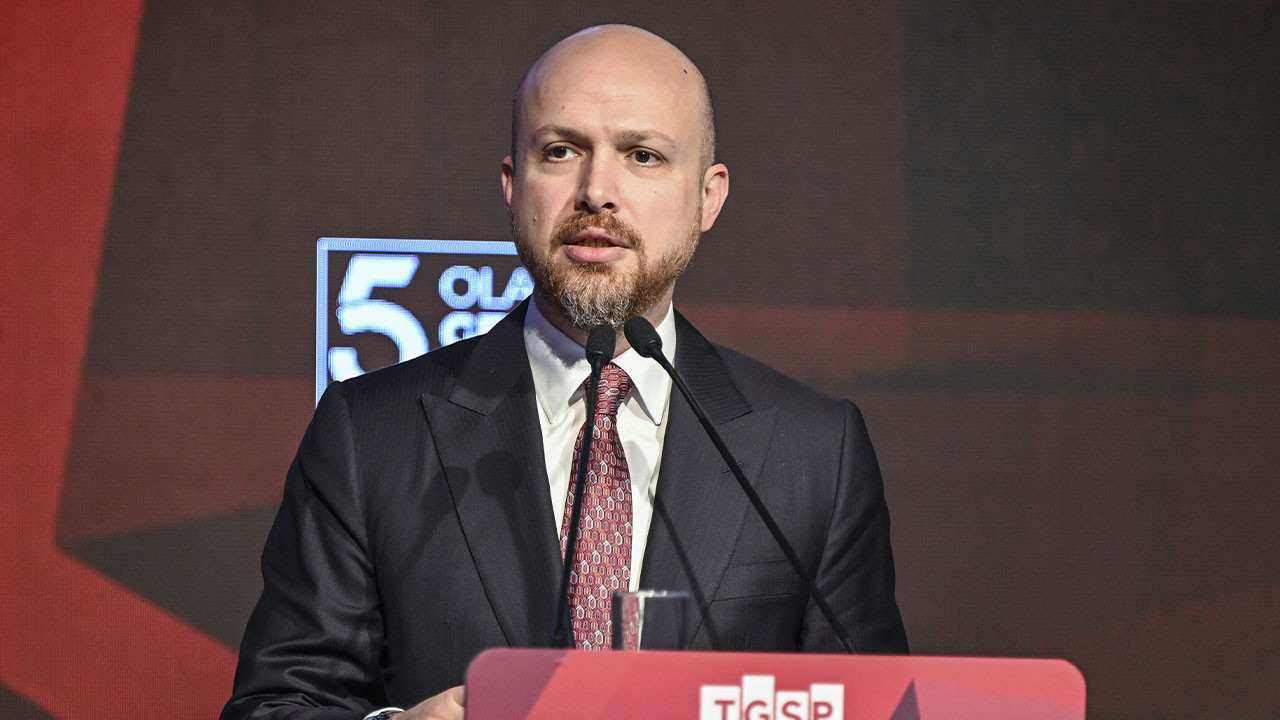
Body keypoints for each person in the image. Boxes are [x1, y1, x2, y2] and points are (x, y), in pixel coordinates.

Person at [223, 24, 907, 720]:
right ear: (513, 184)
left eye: (643, 155)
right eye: (561, 151)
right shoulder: (369, 434)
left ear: (708, 197)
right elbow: (277, 704)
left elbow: (876, 708)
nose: (596, 191)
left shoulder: (814, 452)